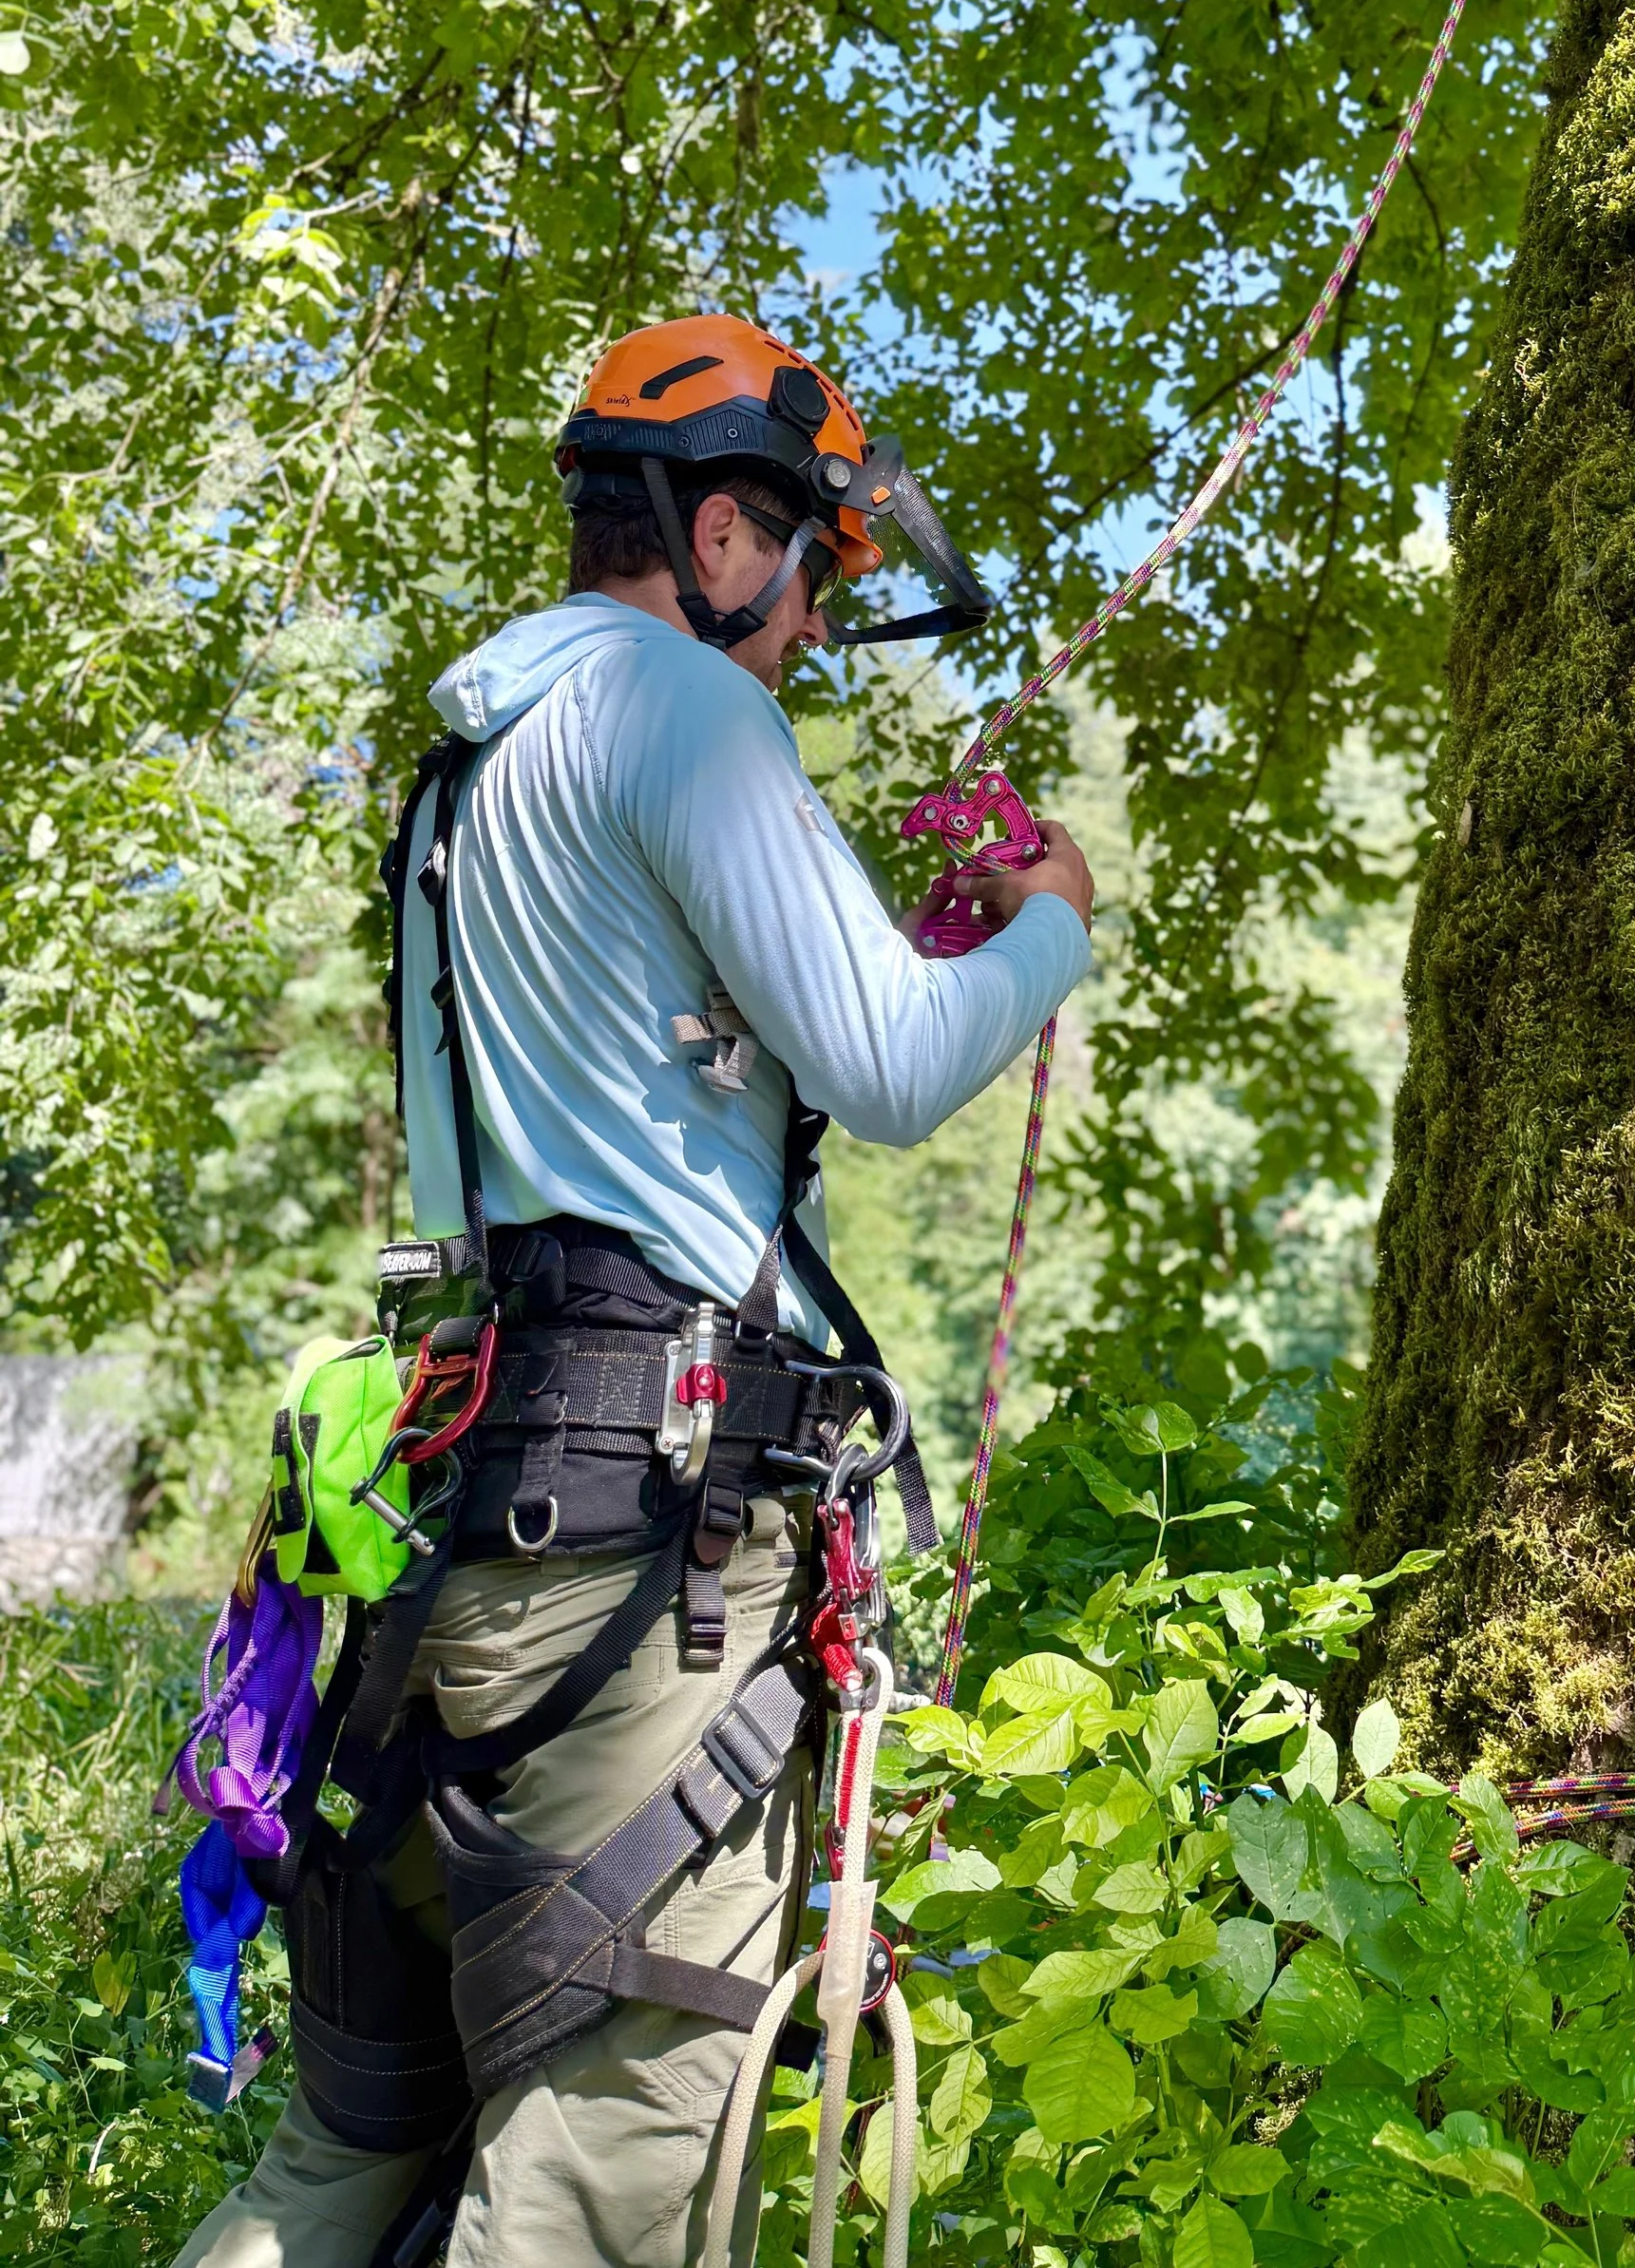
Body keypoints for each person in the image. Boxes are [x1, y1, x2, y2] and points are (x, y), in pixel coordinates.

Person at [173, 315, 1094, 2268]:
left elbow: (556, 1154)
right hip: (647, 1573)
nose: (815, 635)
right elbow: (900, 1065)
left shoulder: (471, 769)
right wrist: (1044, 931)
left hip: (445, 1557)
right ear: (732, 532)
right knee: (575, 2216)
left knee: (331, 2176)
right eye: (815, 579)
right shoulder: (685, 717)